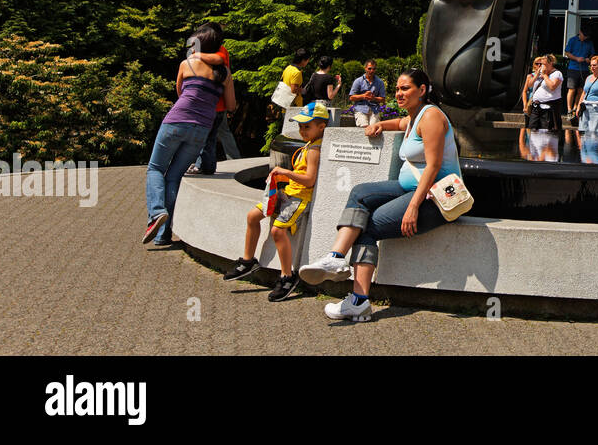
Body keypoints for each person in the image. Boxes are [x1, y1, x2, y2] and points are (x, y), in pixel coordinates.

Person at [298, 70, 461, 322]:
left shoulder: (432, 117)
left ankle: (359, 301)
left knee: (369, 226)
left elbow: (434, 166)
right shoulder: (415, 117)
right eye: (397, 89)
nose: (398, 93)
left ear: (422, 89)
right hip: (410, 188)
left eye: (405, 88)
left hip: (434, 198)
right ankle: (336, 258)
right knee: (360, 193)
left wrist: (413, 207)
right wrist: (379, 125)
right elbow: (398, 124)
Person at [222, 102, 326, 301]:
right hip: (289, 192)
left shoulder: (315, 149)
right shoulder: (309, 145)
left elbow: (310, 180)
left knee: (278, 230)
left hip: (299, 197)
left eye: (307, 126)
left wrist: (286, 173)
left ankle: (287, 276)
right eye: (301, 126)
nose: (302, 131)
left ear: (321, 127)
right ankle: (247, 260)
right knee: (253, 215)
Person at [143, 24, 235, 245]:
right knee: (174, 176)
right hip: (202, 128)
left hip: (176, 121)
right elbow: (231, 105)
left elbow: (180, 91)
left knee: (155, 169)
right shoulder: (225, 73)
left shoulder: (187, 63)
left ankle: (156, 212)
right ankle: (163, 235)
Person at [191, 23, 239, 175]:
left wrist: (196, 54)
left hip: (215, 105)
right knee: (209, 137)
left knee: (207, 137)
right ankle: (205, 165)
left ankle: (205, 165)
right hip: (211, 104)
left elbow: (219, 59)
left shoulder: (219, 51)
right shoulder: (209, 50)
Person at [575, 55, 598, 133]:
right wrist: (578, 106)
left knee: (594, 131)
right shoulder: (588, 78)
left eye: (594, 65)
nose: (592, 67)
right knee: (583, 130)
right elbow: (584, 93)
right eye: (591, 65)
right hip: (585, 107)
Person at [526, 55, 563, 132]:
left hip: (549, 108)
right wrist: (536, 75)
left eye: (544, 64)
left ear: (551, 63)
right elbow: (530, 85)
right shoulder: (541, 73)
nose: (542, 66)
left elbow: (552, 86)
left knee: (546, 133)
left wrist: (545, 75)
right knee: (532, 129)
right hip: (536, 107)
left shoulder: (557, 73)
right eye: (541, 64)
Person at [563, 27, 594, 119]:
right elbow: (567, 53)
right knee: (572, 89)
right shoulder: (573, 40)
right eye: (583, 36)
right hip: (573, 68)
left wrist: (589, 59)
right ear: (580, 32)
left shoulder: (589, 42)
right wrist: (576, 58)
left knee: (581, 90)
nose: (584, 38)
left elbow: (592, 54)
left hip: (584, 69)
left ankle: (576, 107)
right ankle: (569, 109)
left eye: (585, 37)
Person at [348, 59, 387, 128]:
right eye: (369, 68)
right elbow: (351, 97)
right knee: (364, 127)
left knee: (374, 128)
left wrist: (373, 98)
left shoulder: (380, 82)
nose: (371, 71)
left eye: (374, 69)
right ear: (365, 68)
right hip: (361, 109)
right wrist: (363, 96)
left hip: (374, 109)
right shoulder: (358, 81)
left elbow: (383, 99)